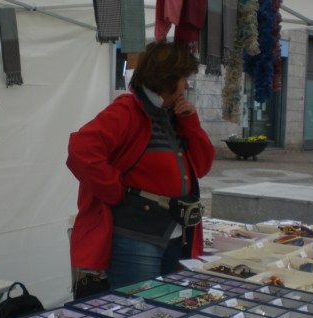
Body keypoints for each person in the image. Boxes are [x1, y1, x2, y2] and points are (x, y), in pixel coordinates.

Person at [67, 41, 215, 299]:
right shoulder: (127, 109)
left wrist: (191, 123)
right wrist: (113, 191)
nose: (186, 86)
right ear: (167, 78)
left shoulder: (171, 114)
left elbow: (202, 166)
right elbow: (81, 150)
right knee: (140, 312)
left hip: (174, 233)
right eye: (183, 79)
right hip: (136, 236)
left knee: (169, 309)